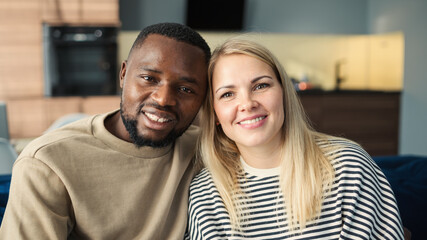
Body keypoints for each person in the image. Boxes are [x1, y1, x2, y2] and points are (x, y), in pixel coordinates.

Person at [0, 22, 211, 239]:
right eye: (149, 78)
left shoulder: (207, 150)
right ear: (123, 74)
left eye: (186, 89)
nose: (164, 99)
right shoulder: (47, 162)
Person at [185, 38, 404, 239]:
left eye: (261, 85)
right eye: (227, 94)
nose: (247, 103)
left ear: (284, 93)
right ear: (214, 114)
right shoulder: (206, 194)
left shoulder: (347, 166)